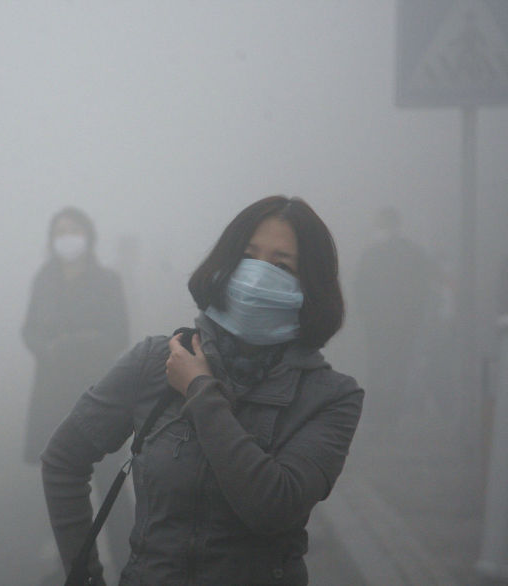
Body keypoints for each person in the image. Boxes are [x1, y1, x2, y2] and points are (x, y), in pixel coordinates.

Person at [42, 196, 364, 585]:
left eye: (282, 265)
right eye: (249, 256)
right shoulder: (156, 360)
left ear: (309, 286)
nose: (259, 275)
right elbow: (63, 459)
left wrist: (199, 390)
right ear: (226, 265)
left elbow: (272, 508)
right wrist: (84, 578)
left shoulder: (330, 397)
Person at [21, 206, 131, 577]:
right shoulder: (44, 280)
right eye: (60, 232)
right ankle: (79, 570)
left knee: (111, 488)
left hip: (98, 393)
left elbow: (121, 333)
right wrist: (47, 347)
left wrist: (89, 341)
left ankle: (130, 564)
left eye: (74, 230)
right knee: (64, 490)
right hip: (52, 395)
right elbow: (28, 331)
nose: (68, 238)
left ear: (88, 236)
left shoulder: (107, 280)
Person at [354, 206, 434, 430]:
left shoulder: (375, 254)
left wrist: (368, 315)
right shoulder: (412, 253)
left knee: (384, 366)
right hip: (394, 322)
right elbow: (423, 289)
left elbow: (361, 288)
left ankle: (380, 415)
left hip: (385, 323)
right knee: (393, 366)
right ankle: (388, 415)